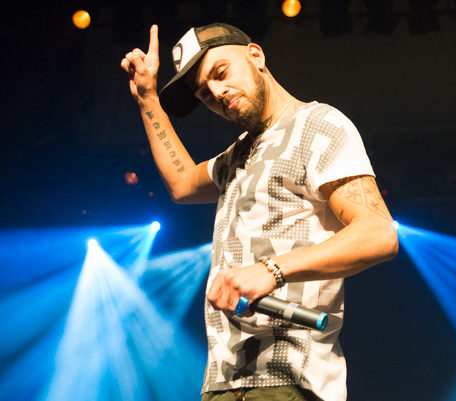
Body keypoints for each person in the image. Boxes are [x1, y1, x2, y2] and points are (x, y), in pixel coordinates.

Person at [121, 22, 398, 401]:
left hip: (288, 379)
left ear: (255, 56)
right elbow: (182, 183)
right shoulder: (238, 154)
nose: (217, 93)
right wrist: (147, 98)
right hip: (223, 384)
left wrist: (272, 270)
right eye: (205, 94)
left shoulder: (318, 124)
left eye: (221, 73)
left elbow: (379, 234)